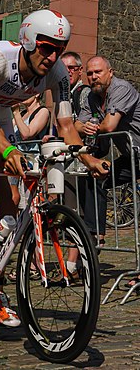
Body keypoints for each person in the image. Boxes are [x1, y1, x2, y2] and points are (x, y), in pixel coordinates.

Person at [0, 9, 109, 327]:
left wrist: (87, 158)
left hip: (1, 111)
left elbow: (65, 123)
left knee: (12, 208)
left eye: (58, 50)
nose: (51, 57)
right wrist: (7, 149)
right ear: (29, 41)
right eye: (45, 47)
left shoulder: (58, 73)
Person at [75, 56, 140, 283]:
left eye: (98, 72)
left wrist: (88, 127)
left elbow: (109, 125)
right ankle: (96, 237)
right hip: (133, 157)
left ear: (110, 72)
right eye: (90, 73)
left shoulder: (121, 88)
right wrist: (84, 126)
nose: (94, 77)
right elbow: (76, 126)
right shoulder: (91, 97)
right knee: (96, 177)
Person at [60, 51, 91, 120]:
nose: (67, 71)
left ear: (80, 70)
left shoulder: (86, 93)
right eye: (63, 68)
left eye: (71, 68)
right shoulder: (62, 95)